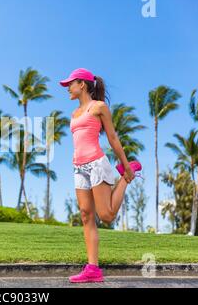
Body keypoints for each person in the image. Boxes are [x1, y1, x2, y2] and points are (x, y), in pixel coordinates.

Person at [60, 68, 143, 283]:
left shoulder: (99, 107)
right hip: (79, 167)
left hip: (97, 164)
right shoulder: (74, 113)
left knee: (106, 216)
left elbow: (113, 138)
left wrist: (126, 166)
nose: (68, 87)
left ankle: (125, 179)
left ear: (83, 84)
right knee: (87, 215)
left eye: (71, 83)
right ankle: (93, 269)